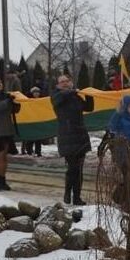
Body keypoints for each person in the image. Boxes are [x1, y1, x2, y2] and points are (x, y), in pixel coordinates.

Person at [51, 74, 95, 205]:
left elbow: (89, 107)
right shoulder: (56, 96)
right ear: (57, 85)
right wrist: (72, 91)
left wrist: (89, 94)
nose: (65, 83)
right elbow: (61, 98)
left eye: (67, 81)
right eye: (62, 82)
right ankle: (67, 192)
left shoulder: (76, 96)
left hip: (80, 136)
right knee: (73, 168)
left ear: (71, 82)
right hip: (67, 136)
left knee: (79, 169)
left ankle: (77, 197)